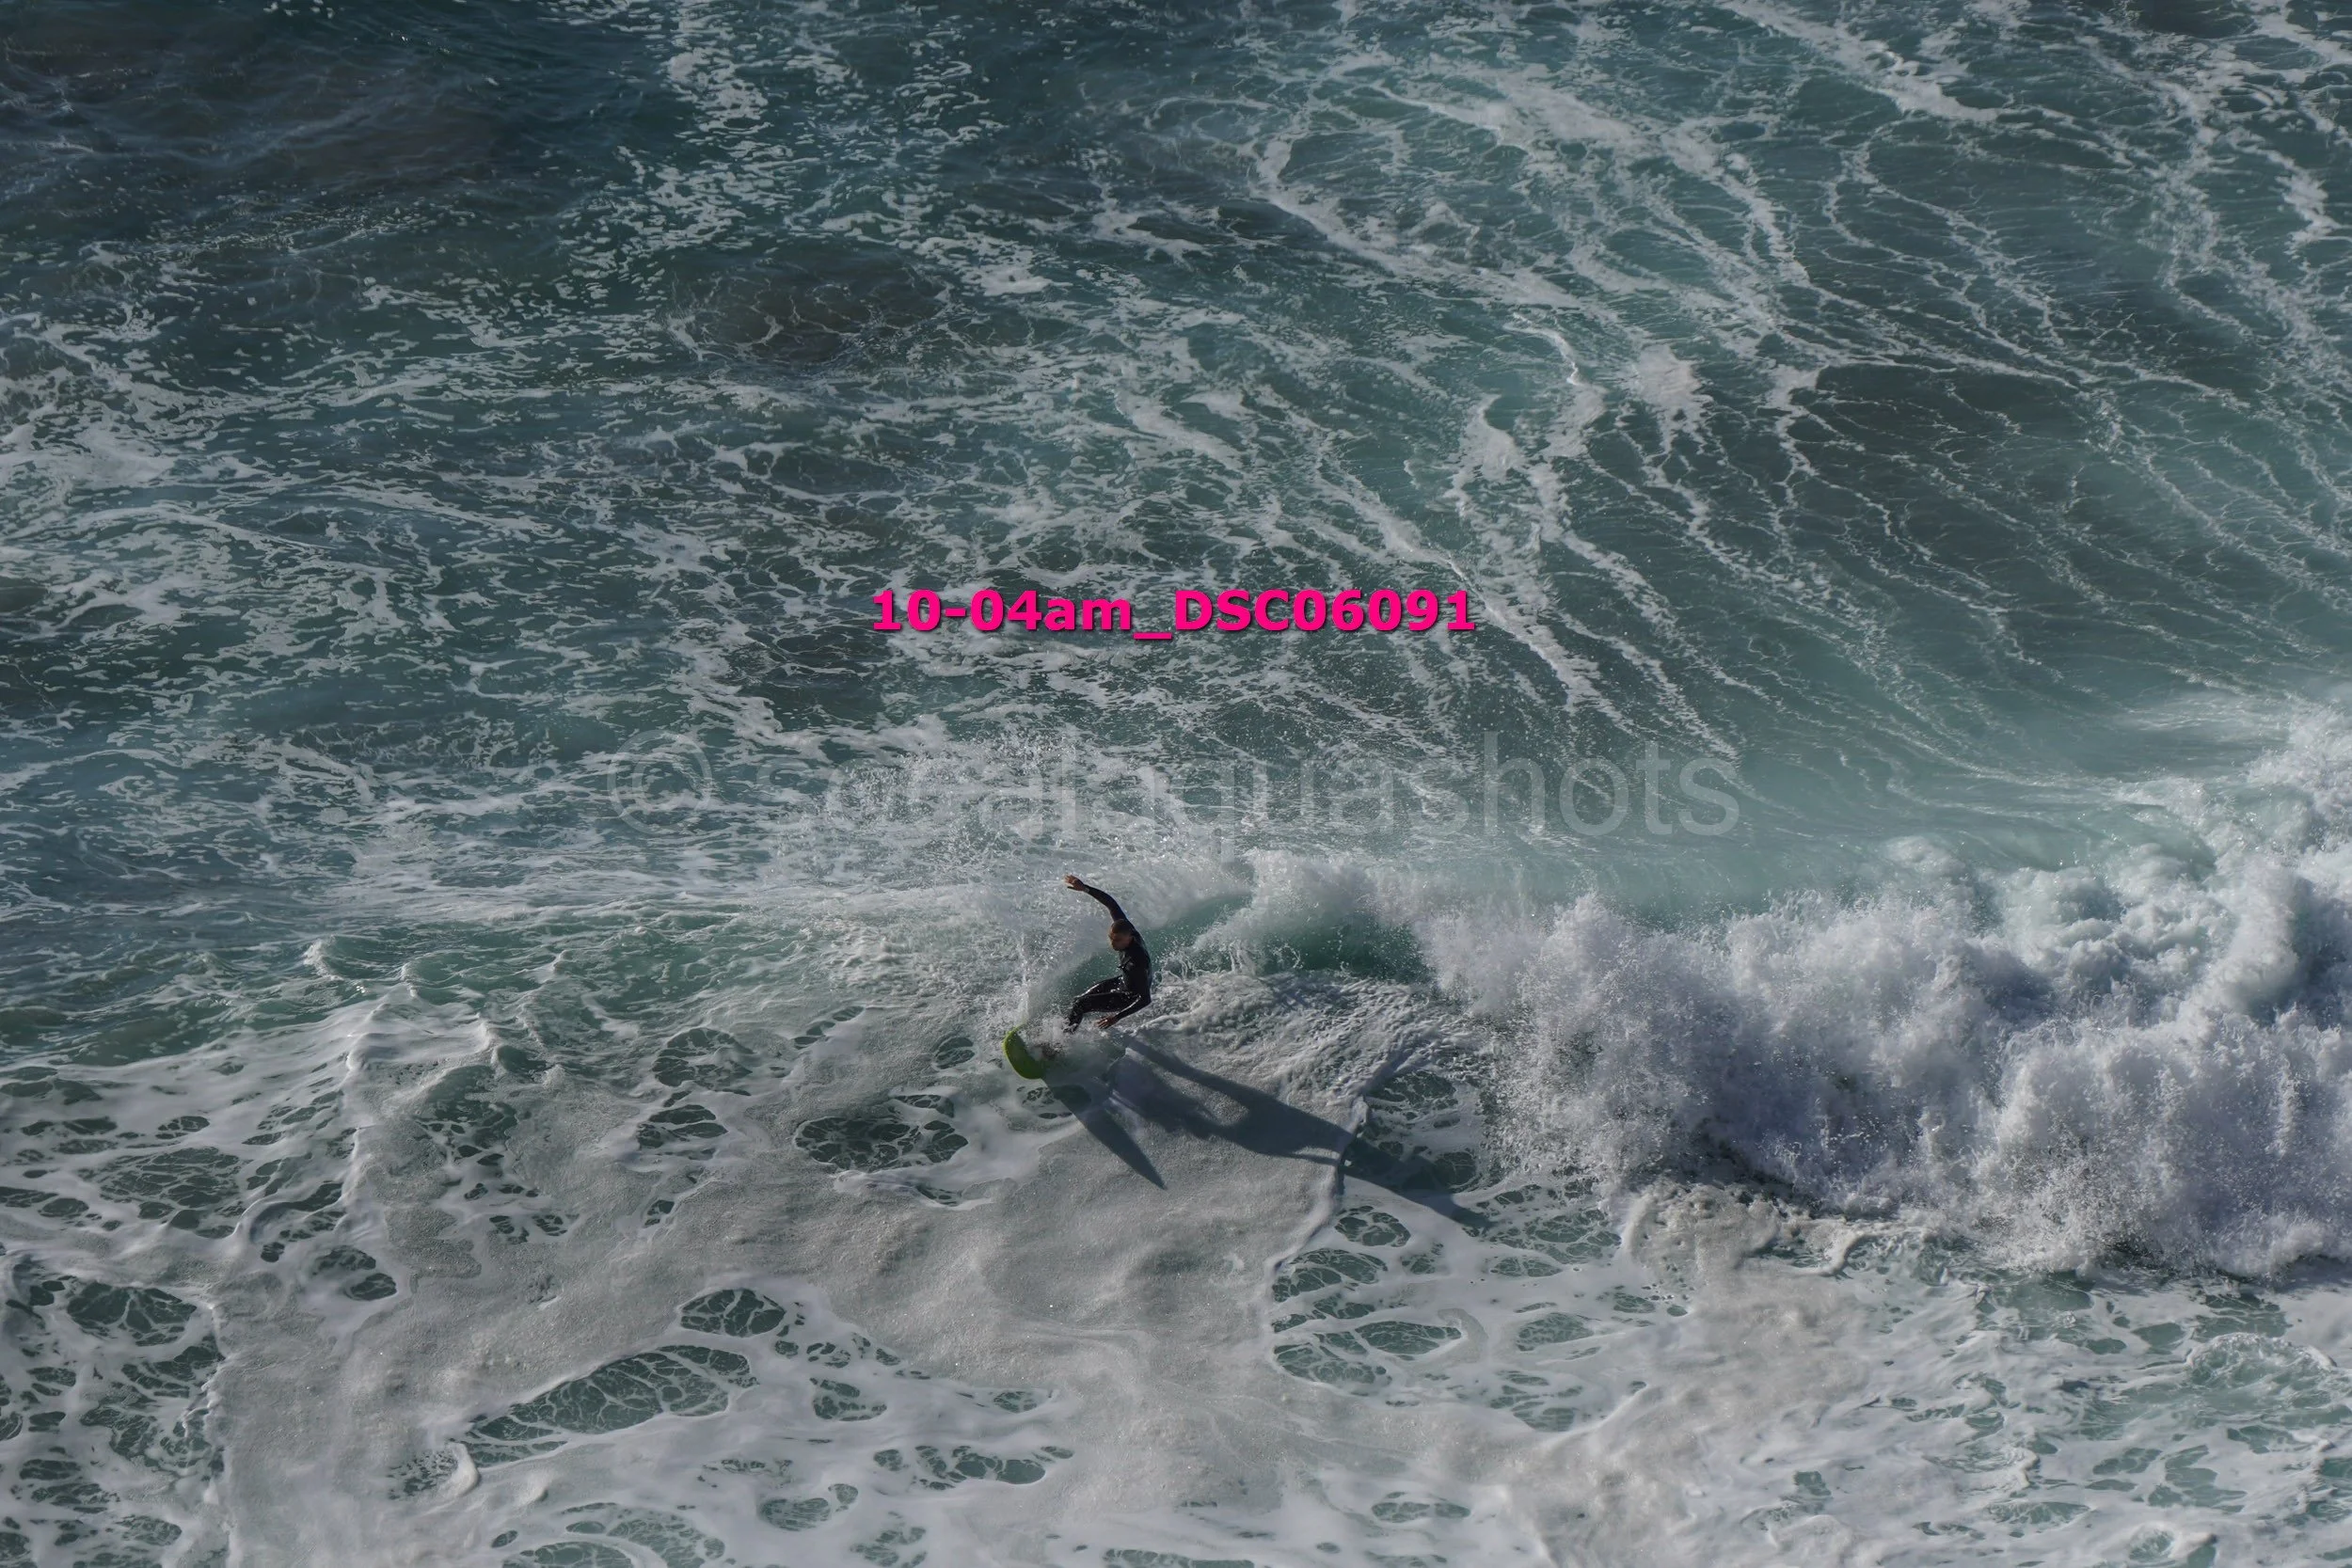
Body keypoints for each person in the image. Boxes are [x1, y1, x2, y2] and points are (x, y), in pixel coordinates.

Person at [1062, 874, 1152, 1030]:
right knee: (1078, 1000)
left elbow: (1145, 999)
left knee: (1080, 1004)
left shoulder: (1136, 962)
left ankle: (1058, 1045)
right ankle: (1065, 1027)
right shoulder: (1126, 927)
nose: (1112, 944)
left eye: (1117, 940)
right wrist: (1085, 888)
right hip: (1122, 982)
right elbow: (1111, 903)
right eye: (1111, 938)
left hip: (1128, 997)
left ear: (1129, 938)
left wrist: (1116, 1017)